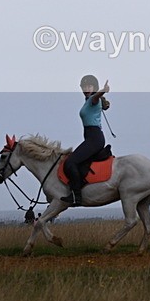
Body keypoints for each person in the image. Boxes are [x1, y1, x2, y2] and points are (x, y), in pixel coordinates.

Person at [61, 74, 111, 206]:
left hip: (94, 138)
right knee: (77, 162)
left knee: (70, 162)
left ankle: (76, 197)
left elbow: (96, 97)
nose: (86, 88)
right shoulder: (87, 101)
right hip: (91, 138)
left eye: (89, 86)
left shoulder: (93, 100)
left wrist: (102, 90)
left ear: (94, 87)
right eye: (84, 86)